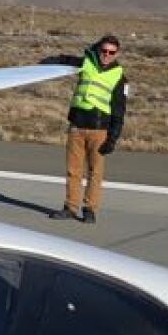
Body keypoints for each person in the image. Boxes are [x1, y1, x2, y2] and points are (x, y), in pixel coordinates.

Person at [53, 34, 127, 223]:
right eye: (104, 50)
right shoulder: (86, 63)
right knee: (73, 171)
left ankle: (90, 210)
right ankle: (70, 207)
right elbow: (64, 60)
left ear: (117, 54)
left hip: (99, 131)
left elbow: (119, 109)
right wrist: (44, 65)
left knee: (95, 173)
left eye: (111, 52)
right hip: (77, 127)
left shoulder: (119, 76)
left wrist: (113, 138)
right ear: (98, 49)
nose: (107, 55)